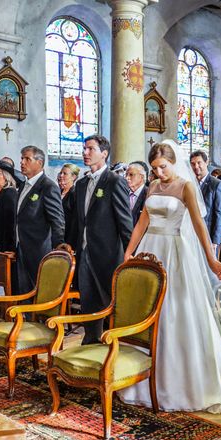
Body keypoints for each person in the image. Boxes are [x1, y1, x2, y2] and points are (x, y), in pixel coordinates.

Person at [118, 140, 221, 412]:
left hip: (175, 251)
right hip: (151, 248)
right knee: (147, 310)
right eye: (154, 168)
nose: (159, 172)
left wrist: (211, 259)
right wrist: (129, 252)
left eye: (163, 167)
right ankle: (140, 376)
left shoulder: (185, 186)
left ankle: (180, 381)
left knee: (175, 311)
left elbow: (198, 224)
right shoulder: (152, 186)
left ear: (174, 162)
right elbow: (142, 222)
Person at [68, 135, 133, 345]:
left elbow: (125, 221)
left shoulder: (115, 181)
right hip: (85, 252)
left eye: (91, 149)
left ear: (104, 154)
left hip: (108, 254)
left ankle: (114, 345)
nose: (85, 153)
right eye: (84, 149)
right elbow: (78, 222)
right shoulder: (81, 184)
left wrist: (130, 254)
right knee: (88, 300)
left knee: (111, 302)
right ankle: (91, 341)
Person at [15, 145, 65, 295]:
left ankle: (40, 319)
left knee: (40, 291)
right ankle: (25, 318)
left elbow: (57, 219)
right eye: (22, 158)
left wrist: (58, 245)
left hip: (39, 249)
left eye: (27, 159)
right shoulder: (23, 185)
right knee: (24, 290)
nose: (22, 162)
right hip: (22, 246)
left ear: (39, 162)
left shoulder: (48, 187)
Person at [190, 150, 221, 254]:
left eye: (199, 163)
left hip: (208, 235)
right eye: (193, 164)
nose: (196, 166)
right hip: (190, 234)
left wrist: (215, 241)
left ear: (206, 162)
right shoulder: (189, 184)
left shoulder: (217, 184)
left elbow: (220, 214)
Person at [57, 163, 80, 248]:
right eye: (60, 173)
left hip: (67, 238)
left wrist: (70, 243)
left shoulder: (75, 194)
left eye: (65, 173)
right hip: (56, 236)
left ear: (73, 177)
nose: (61, 175)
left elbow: (75, 222)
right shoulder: (57, 192)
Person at [126, 162, 148, 226]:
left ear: (141, 176)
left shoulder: (149, 194)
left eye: (131, 174)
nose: (127, 178)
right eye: (126, 174)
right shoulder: (123, 193)